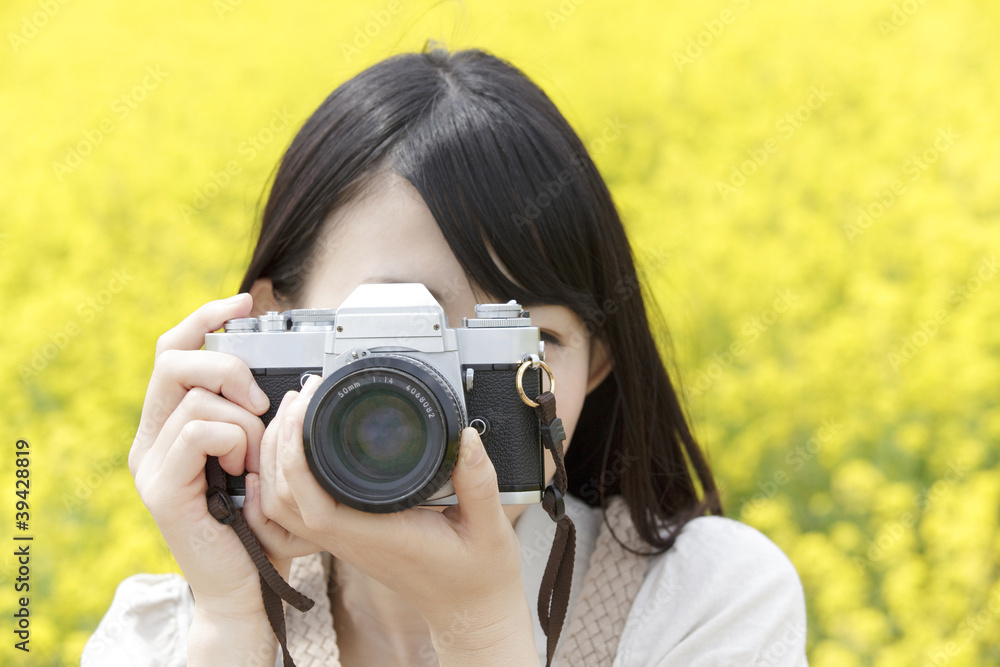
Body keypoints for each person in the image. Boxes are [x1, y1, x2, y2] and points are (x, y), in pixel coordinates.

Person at [83, 47, 808, 666]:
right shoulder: (160, 639)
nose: (442, 407)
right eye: (400, 342)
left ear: (595, 362)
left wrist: (480, 628)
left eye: (522, 342)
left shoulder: (705, 605)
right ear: (276, 326)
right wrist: (234, 623)